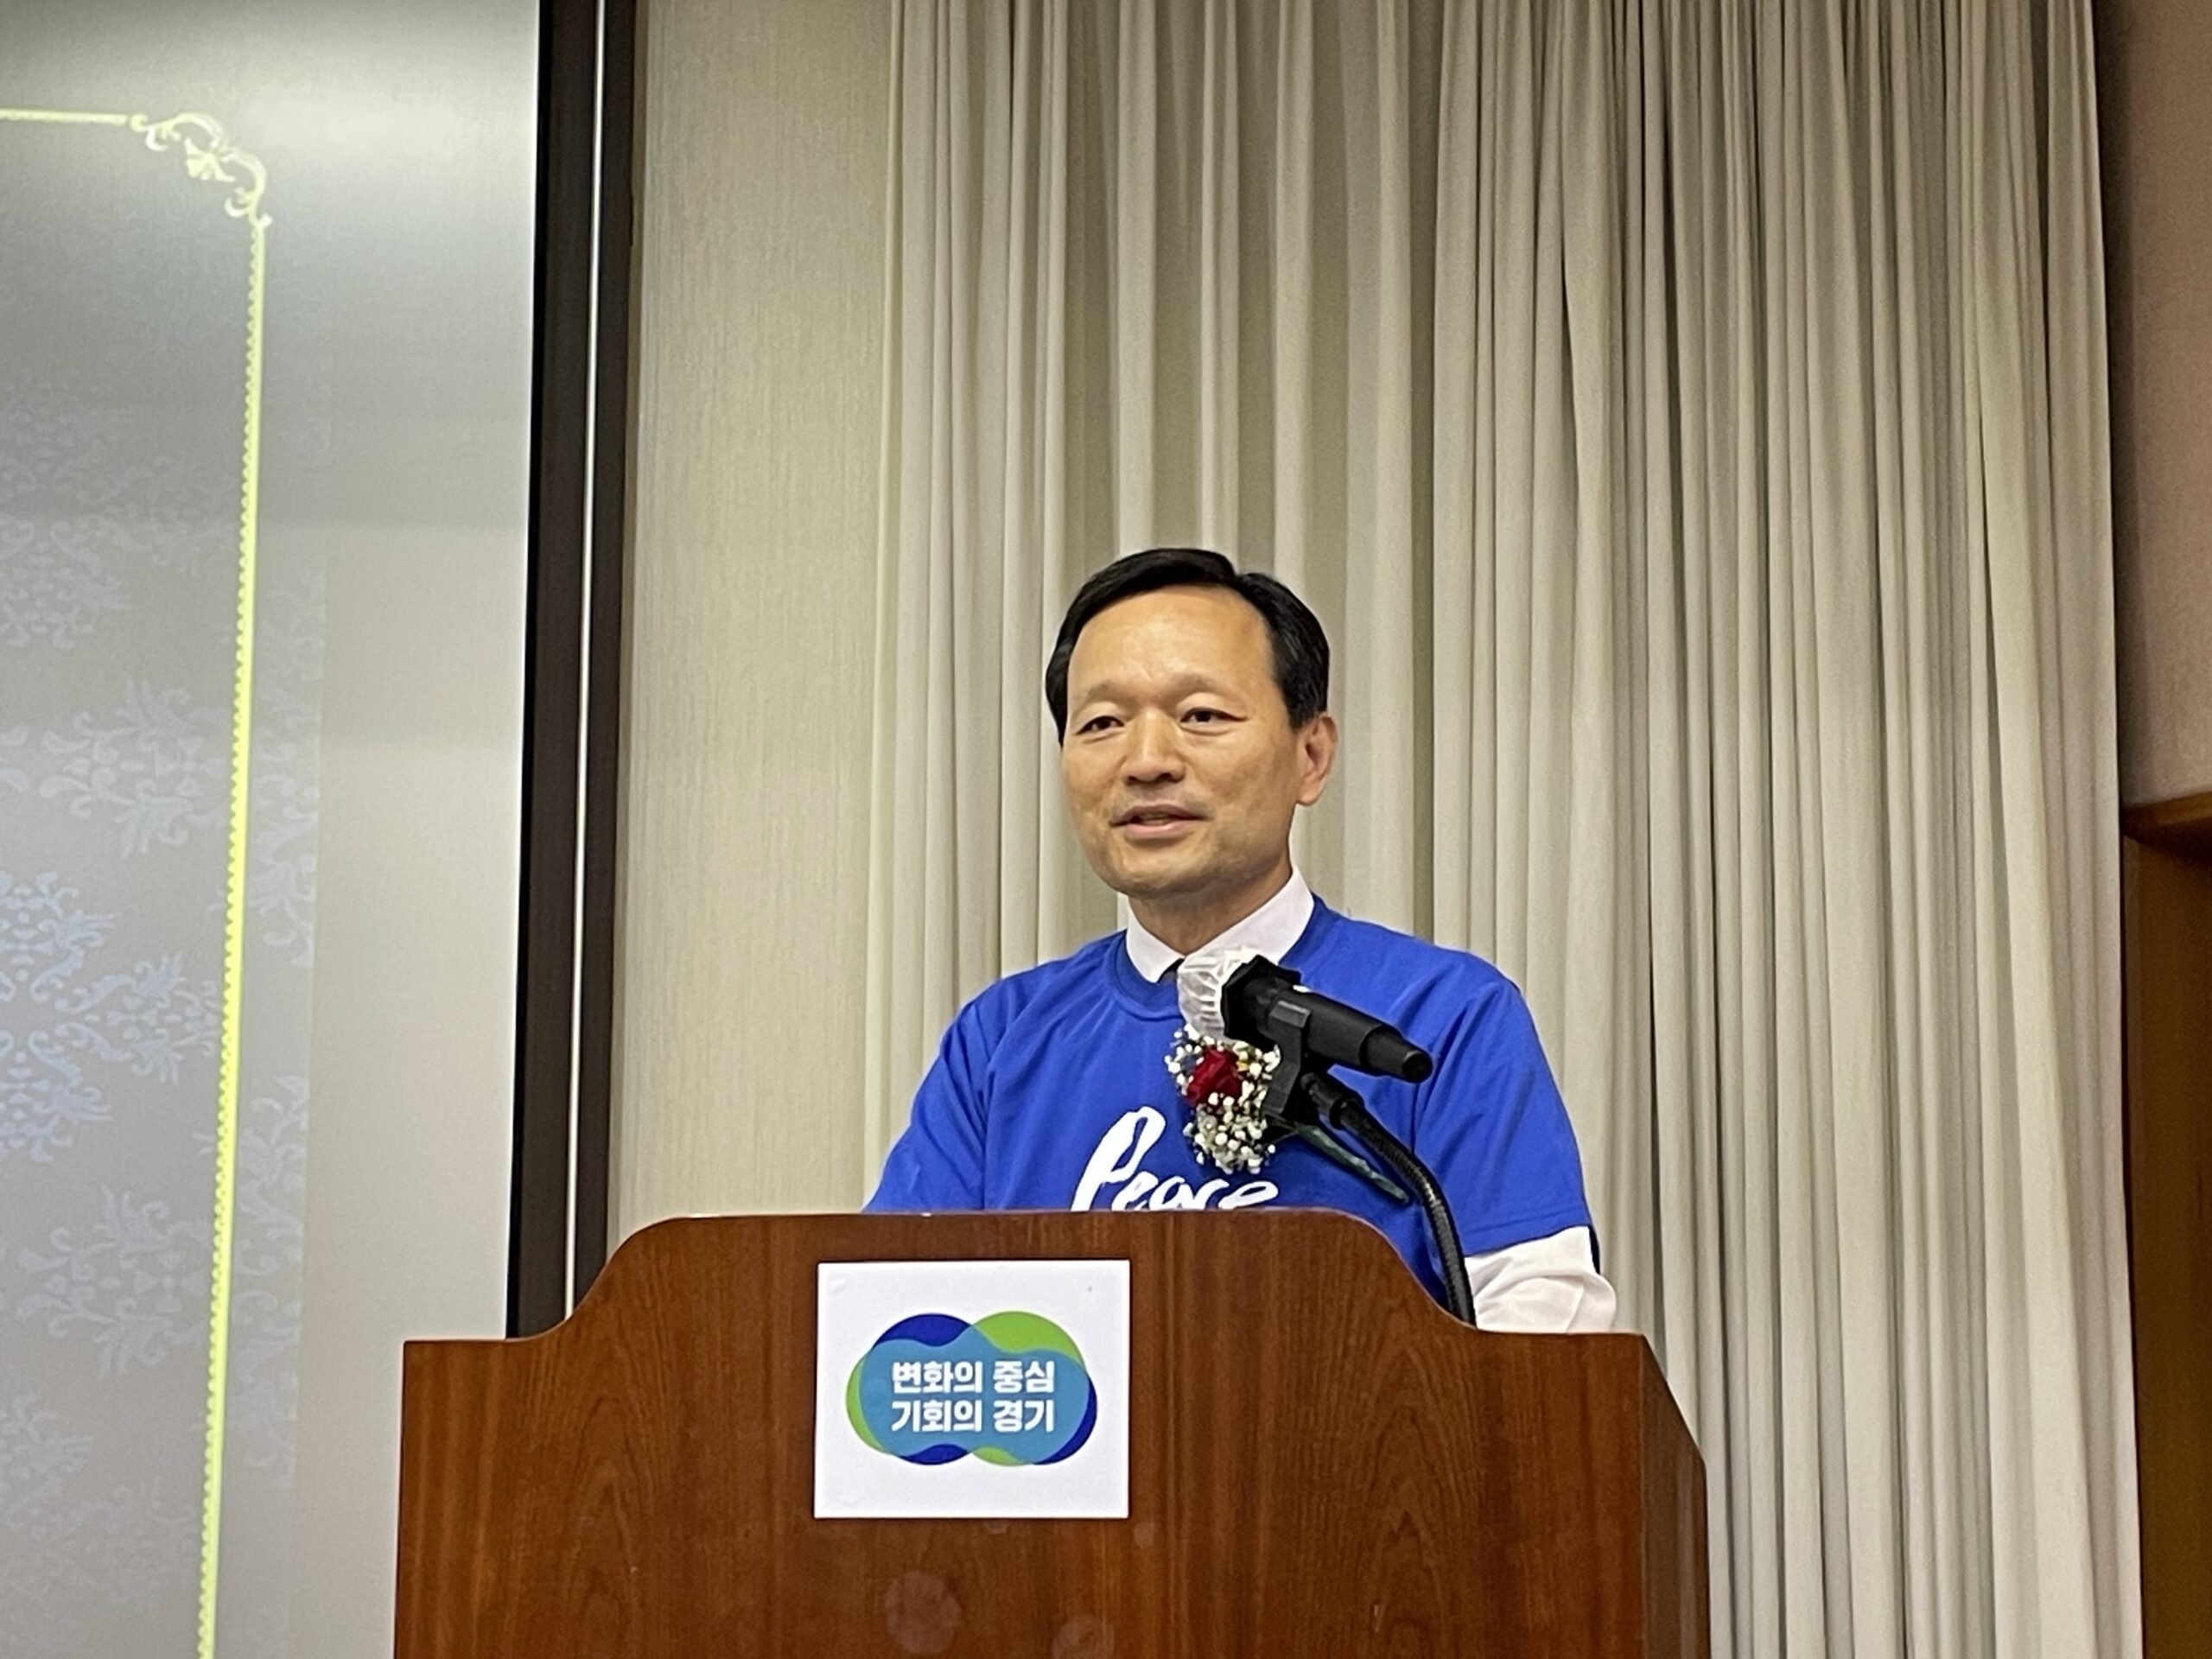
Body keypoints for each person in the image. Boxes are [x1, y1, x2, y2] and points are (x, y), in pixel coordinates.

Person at [868, 548, 1614, 1331]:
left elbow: (1542, 1316)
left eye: (1201, 716)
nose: (1147, 761)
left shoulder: (1439, 1016)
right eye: (1102, 724)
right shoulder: (999, 1039)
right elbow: (890, 1320)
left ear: (1311, 756)